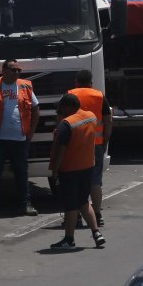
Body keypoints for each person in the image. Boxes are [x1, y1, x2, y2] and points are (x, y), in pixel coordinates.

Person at [0, 59, 40, 217]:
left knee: (21, 173)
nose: (17, 72)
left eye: (18, 70)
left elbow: (36, 110)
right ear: (4, 70)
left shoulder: (25, 86)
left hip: (19, 141)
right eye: (13, 70)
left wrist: (30, 133)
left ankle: (25, 205)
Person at [49, 94, 106, 249]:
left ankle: (69, 239)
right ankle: (96, 233)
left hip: (70, 170)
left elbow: (60, 150)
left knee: (70, 206)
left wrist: (55, 171)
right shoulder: (91, 117)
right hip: (87, 167)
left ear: (68, 107)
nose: (59, 111)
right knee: (84, 202)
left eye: (61, 108)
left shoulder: (66, 124)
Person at [68, 70, 113, 226]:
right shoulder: (99, 96)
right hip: (96, 144)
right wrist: (105, 141)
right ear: (91, 83)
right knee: (95, 180)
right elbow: (108, 121)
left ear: (76, 81)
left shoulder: (70, 95)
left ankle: (77, 216)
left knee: (75, 180)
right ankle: (98, 215)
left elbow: (62, 119)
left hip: (74, 145)